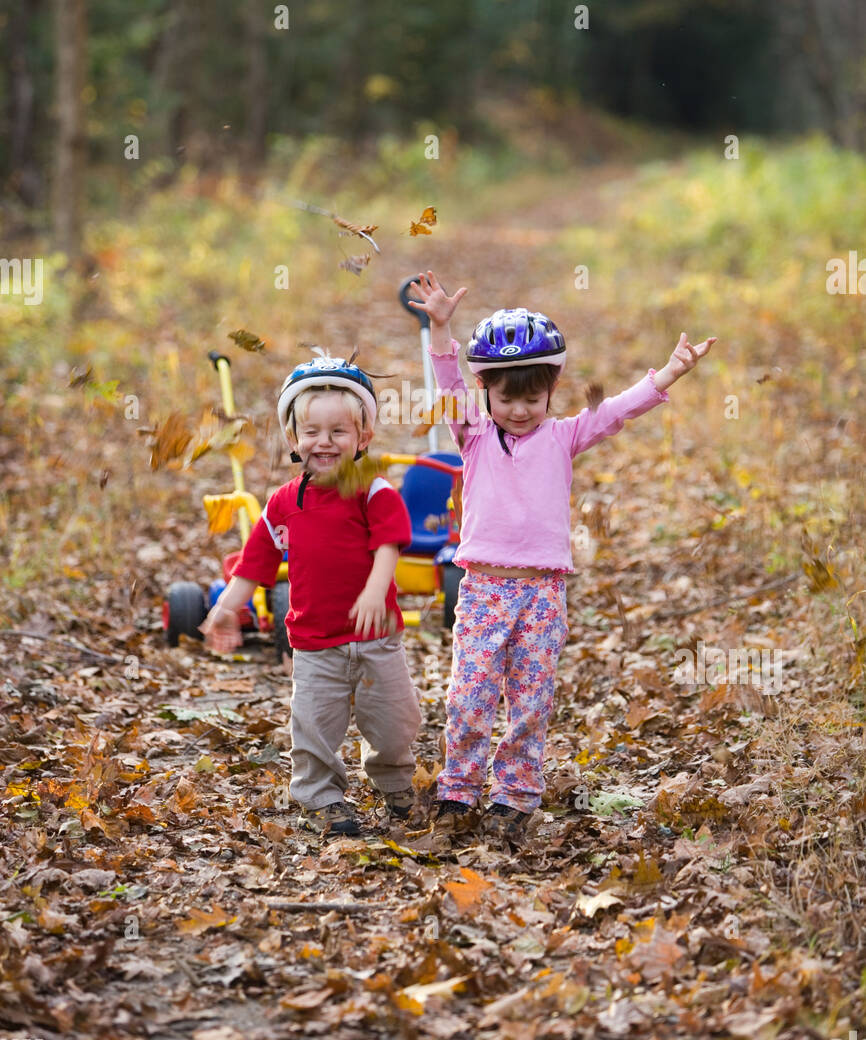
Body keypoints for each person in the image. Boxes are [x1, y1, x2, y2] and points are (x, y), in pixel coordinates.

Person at [408, 270, 717, 841]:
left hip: (543, 593)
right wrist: (441, 327)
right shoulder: (473, 432)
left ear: (551, 391)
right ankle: (459, 786)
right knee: (470, 693)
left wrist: (671, 372)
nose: (521, 410)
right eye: (507, 398)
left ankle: (515, 794)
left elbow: (619, 410)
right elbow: (448, 383)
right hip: (483, 590)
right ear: (487, 394)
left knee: (531, 697)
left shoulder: (564, 436)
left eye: (533, 398)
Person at [198, 356, 421, 838]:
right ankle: (321, 797)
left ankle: (394, 782)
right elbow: (255, 564)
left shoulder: (371, 490)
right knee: (314, 726)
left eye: (339, 432)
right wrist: (225, 609)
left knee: (394, 721)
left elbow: (388, 546)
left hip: (375, 635)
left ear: (363, 438)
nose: (324, 442)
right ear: (293, 439)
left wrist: (373, 592)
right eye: (312, 432)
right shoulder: (284, 502)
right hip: (315, 642)